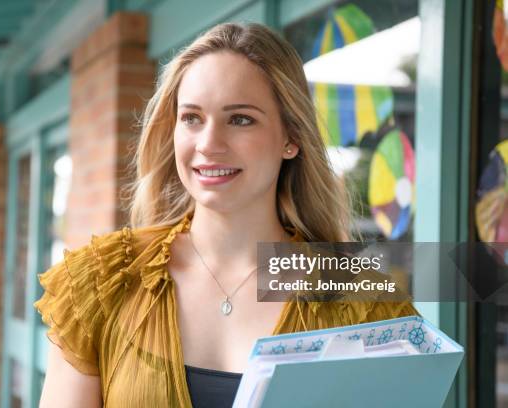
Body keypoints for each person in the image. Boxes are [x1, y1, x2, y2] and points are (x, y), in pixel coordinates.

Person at [34, 22, 418, 407]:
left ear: (291, 137)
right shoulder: (101, 283)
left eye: (240, 119)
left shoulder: (365, 305)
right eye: (192, 118)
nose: (208, 144)